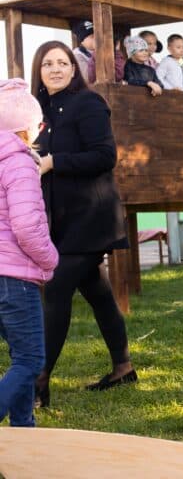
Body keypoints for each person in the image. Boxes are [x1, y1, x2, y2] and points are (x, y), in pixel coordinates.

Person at [30, 41, 136, 408]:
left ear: (74, 70)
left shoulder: (88, 104)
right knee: (97, 291)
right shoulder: (39, 111)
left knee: (57, 290)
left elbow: (105, 156)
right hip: (61, 220)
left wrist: (54, 162)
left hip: (91, 217)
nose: (56, 69)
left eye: (63, 63)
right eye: (48, 64)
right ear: (38, 71)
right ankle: (123, 366)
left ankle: (38, 381)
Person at [0, 79, 58, 427]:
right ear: (29, 128)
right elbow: (26, 226)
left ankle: (24, 434)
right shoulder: (19, 162)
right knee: (31, 359)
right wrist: (50, 259)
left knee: (19, 356)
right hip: (15, 278)